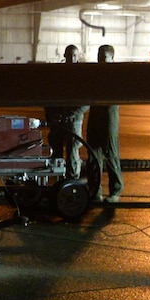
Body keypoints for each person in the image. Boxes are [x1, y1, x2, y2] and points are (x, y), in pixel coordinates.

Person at [86, 44, 123, 202]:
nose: (100, 60)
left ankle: (115, 191)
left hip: (108, 116)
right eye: (99, 57)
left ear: (112, 58)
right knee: (93, 156)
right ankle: (96, 191)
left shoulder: (115, 76)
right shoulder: (95, 74)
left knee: (111, 154)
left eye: (104, 58)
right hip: (96, 115)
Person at [43, 45, 88, 176]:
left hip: (73, 119)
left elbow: (86, 100)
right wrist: (51, 115)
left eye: (74, 56)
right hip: (59, 118)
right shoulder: (58, 74)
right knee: (56, 151)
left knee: (73, 151)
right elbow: (49, 95)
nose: (71, 59)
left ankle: (72, 179)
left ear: (78, 56)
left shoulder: (82, 76)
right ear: (64, 56)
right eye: (69, 56)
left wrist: (73, 114)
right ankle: (58, 178)